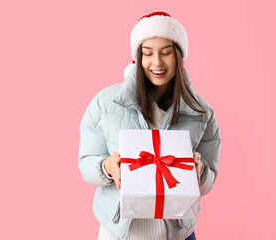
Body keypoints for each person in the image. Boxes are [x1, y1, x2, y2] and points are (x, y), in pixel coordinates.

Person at [78, 11, 221, 240]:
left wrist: (200, 172)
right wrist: (107, 167)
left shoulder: (200, 112)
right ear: (137, 56)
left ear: (179, 56)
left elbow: (210, 177)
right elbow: (86, 162)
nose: (157, 62)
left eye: (166, 53)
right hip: (121, 233)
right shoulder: (106, 103)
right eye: (148, 53)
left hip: (177, 234)